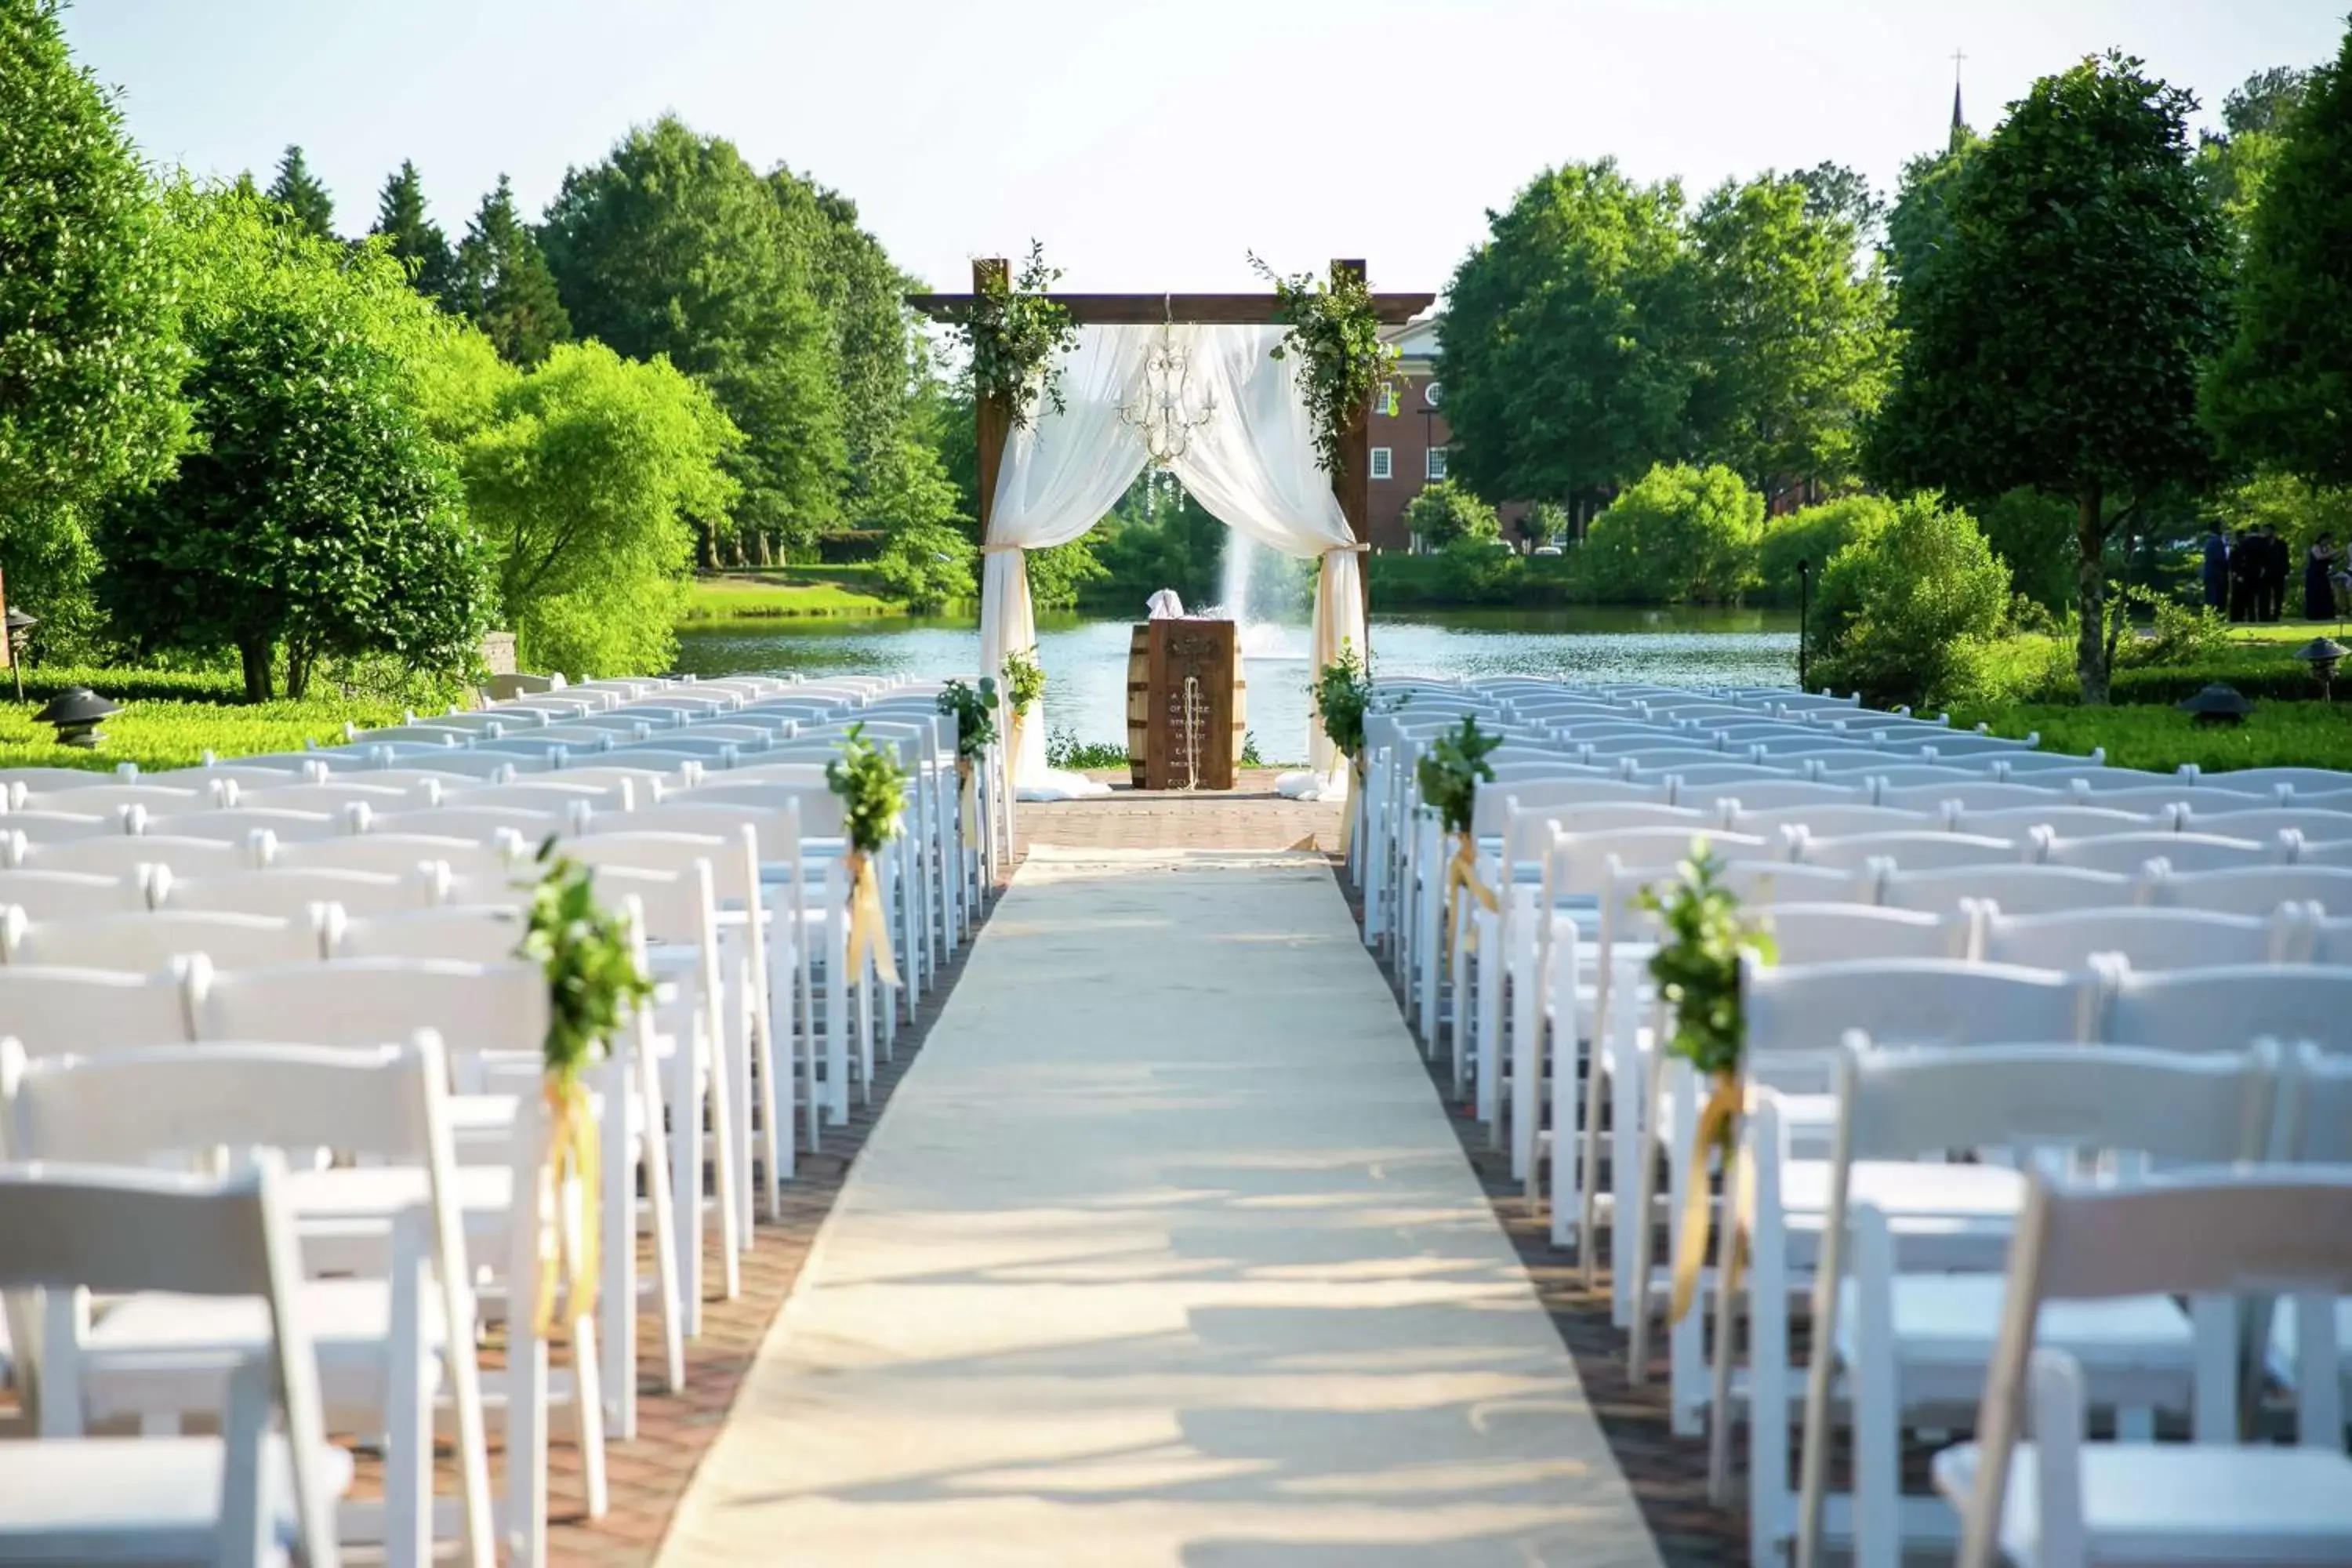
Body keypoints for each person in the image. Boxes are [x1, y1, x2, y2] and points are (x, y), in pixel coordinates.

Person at [2307, 534, 2340, 622]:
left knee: (2326, 593)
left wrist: (2339, 555)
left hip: (2323, 573)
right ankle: (2314, 615)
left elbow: (2332, 559)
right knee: (2315, 594)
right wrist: (2332, 554)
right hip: (2314, 574)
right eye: (2327, 540)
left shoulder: (2328, 548)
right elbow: (2319, 557)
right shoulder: (2315, 547)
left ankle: (2327, 614)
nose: (2328, 542)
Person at [2263, 524, 2292, 622]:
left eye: (2269, 530)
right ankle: (2265, 614)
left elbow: (2285, 558)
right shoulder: (2262, 543)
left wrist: (2286, 571)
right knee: (2266, 594)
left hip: (2279, 572)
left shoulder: (2281, 544)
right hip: (2266, 572)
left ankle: (2276, 614)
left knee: (2278, 594)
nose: (2268, 533)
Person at [2230, 528, 2260, 622]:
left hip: (2247, 576)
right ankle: (2238, 617)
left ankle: (2248, 617)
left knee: (2248, 598)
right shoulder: (2236, 549)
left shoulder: (2244, 548)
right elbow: (2233, 563)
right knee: (2239, 598)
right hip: (2240, 575)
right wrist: (2238, 574)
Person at [2201, 521, 2230, 613]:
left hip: (2210, 574)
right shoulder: (2217, 541)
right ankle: (2217, 616)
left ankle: (2210, 616)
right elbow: (2220, 559)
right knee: (2217, 598)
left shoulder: (2208, 541)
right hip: (2217, 575)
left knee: (2210, 597)